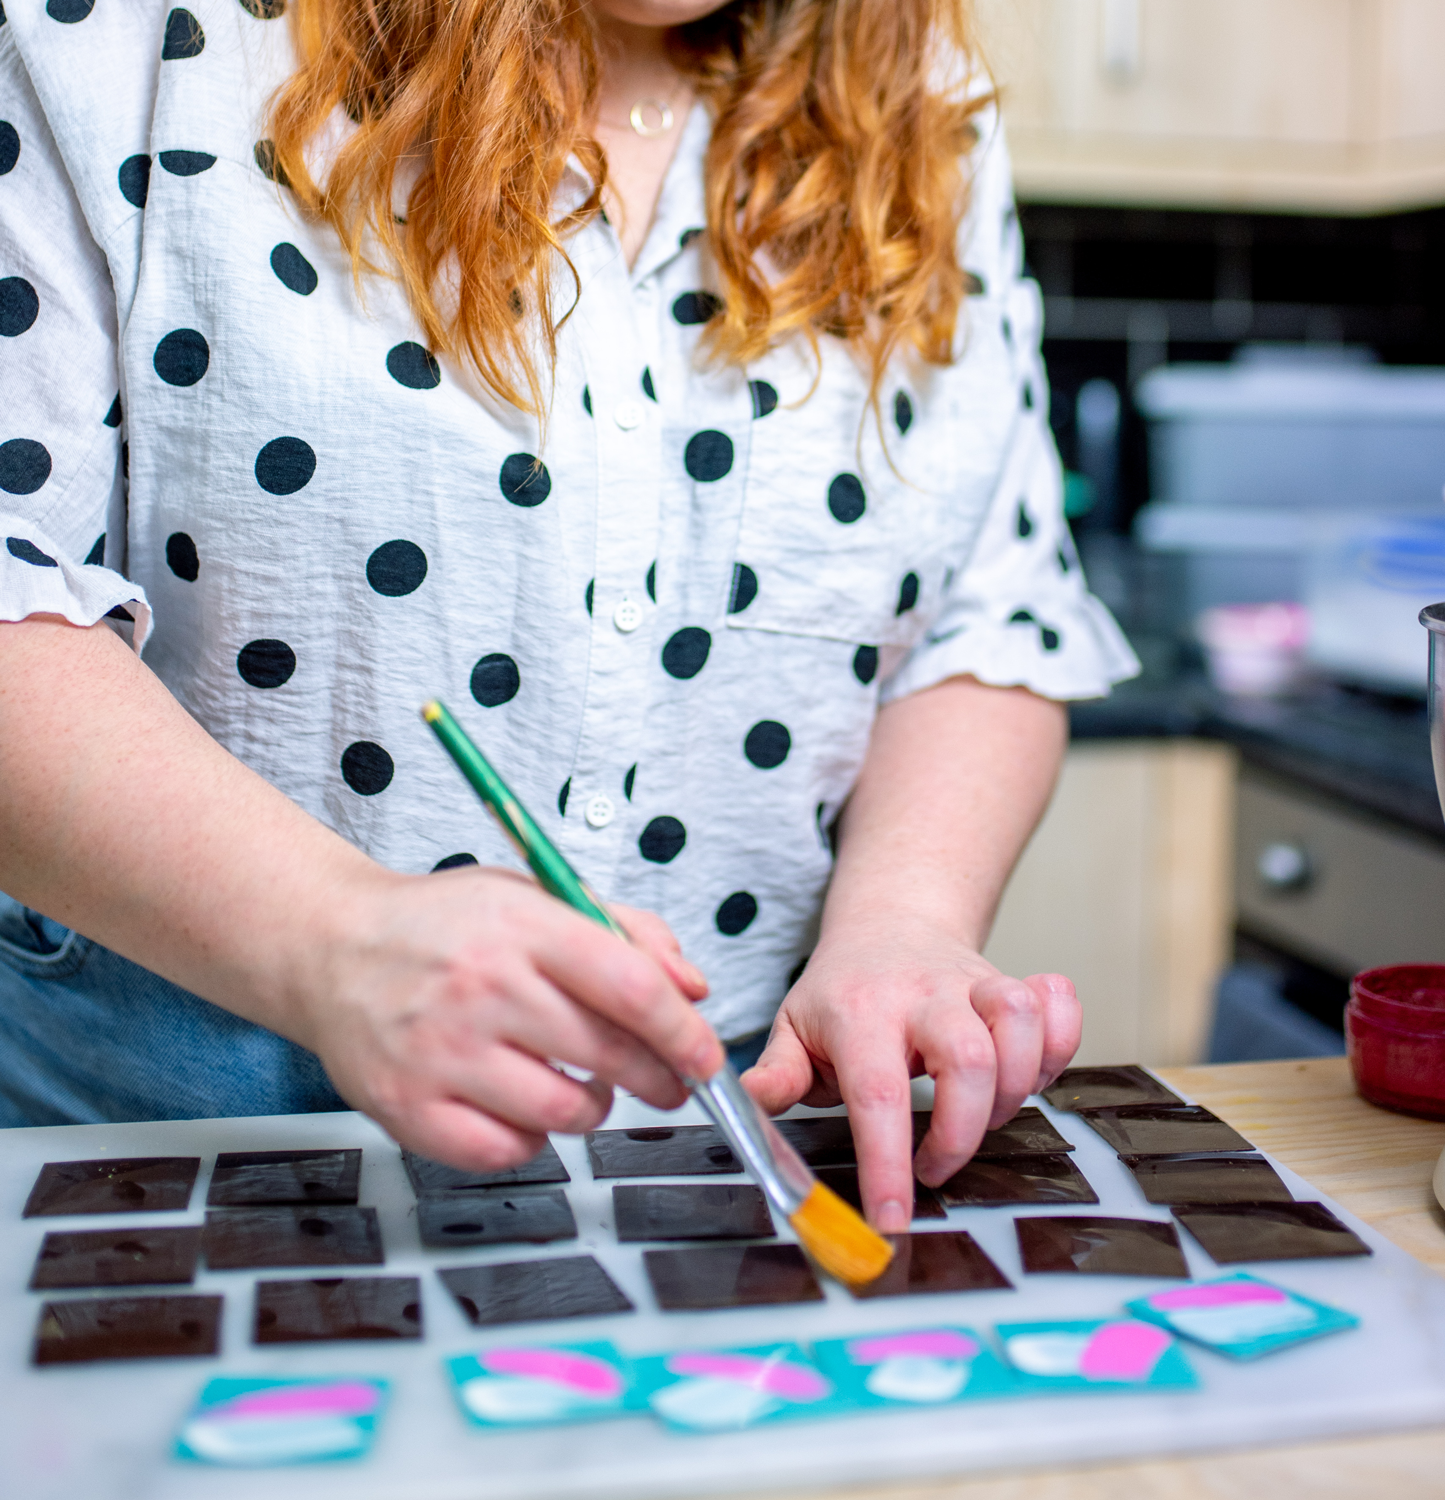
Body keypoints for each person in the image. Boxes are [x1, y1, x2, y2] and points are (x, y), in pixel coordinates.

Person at [0, 0, 1136, 1232]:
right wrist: (333, 940)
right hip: (167, 1145)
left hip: (725, 1174)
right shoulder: (117, 35)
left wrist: (906, 920)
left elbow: (988, 609)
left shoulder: (922, 92)